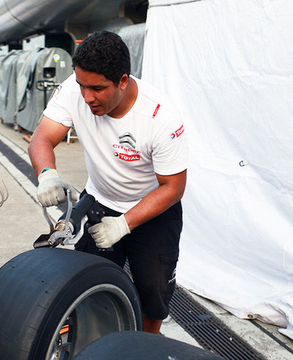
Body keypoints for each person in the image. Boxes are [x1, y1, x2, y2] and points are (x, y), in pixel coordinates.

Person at [28, 31, 188, 334]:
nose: (87, 97)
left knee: (152, 300)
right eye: (81, 86)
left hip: (152, 213)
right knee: (92, 290)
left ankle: (144, 349)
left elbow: (173, 187)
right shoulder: (74, 91)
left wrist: (124, 224)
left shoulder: (160, 118)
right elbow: (42, 137)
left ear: (123, 80)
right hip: (99, 202)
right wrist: (47, 173)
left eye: (98, 88)